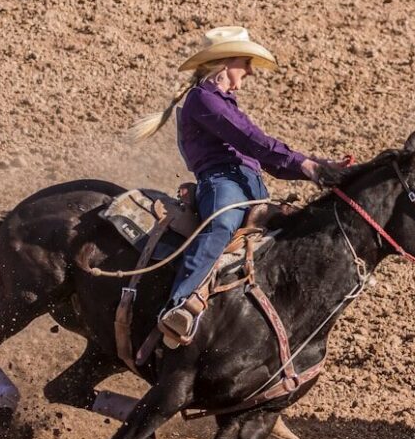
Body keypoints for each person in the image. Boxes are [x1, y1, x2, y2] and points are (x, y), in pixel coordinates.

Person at [128, 26, 344, 344]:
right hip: (223, 182)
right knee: (221, 225)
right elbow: (253, 141)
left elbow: (264, 153)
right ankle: (178, 308)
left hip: (249, 184)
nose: (251, 71)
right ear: (226, 62)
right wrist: (306, 165)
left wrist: (314, 163)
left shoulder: (223, 104)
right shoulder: (203, 99)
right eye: (246, 61)